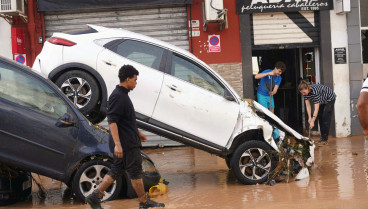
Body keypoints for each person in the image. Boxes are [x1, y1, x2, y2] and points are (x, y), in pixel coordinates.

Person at [86, 65, 165, 209]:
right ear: (127, 79)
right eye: (135, 79)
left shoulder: (122, 95)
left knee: (117, 170)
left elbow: (126, 120)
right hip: (126, 145)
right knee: (135, 173)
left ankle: (95, 196)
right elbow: (112, 121)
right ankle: (144, 202)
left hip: (126, 141)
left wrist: (138, 132)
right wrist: (117, 144)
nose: (136, 82)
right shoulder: (118, 96)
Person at [298, 80, 336, 145]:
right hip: (322, 100)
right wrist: (309, 117)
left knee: (325, 117)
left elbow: (316, 108)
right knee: (320, 117)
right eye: (302, 93)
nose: (303, 94)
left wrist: (313, 121)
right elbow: (308, 105)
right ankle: (322, 137)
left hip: (329, 98)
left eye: (304, 92)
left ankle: (325, 139)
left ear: (307, 88)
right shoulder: (305, 94)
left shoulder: (315, 92)